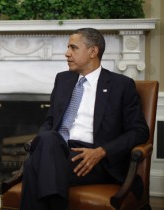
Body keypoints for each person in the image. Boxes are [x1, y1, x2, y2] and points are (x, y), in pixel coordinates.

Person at [20, 28, 149, 210]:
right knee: (47, 140)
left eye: (73, 48)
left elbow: (139, 131)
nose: (67, 53)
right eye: (68, 48)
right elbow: (50, 121)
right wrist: (41, 142)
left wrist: (102, 151)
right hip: (57, 148)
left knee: (34, 164)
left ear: (93, 51)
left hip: (92, 157)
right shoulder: (63, 79)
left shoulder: (122, 85)